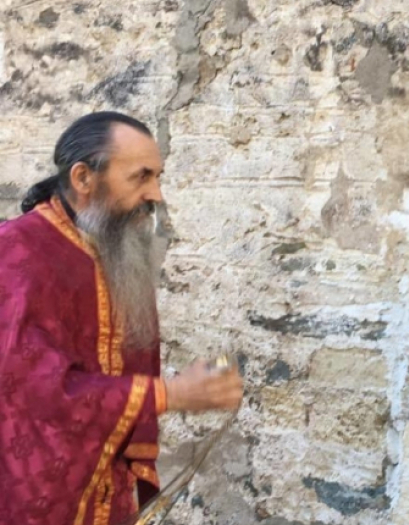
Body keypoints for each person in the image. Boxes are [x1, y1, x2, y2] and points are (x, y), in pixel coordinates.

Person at [0, 112, 244, 525]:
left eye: (158, 176)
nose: (156, 194)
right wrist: (170, 394)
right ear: (83, 178)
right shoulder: (16, 253)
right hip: (36, 498)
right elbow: (30, 389)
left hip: (108, 491)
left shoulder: (119, 247)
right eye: (141, 177)